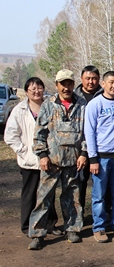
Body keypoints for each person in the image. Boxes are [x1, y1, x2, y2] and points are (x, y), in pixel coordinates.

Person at [27, 69, 87, 250]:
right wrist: (42, 155)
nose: (66, 87)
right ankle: (37, 234)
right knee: (43, 199)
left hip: (73, 162)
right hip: (51, 162)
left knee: (72, 198)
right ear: (56, 85)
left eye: (69, 83)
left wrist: (84, 153)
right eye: (63, 84)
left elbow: (87, 133)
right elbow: (39, 133)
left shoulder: (82, 104)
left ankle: (73, 229)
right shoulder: (48, 105)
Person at [4, 77, 60, 236]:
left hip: (49, 158)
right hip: (28, 160)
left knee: (48, 193)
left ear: (44, 89)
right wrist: (23, 150)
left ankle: (50, 224)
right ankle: (27, 225)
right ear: (26, 91)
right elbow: (10, 135)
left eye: (39, 88)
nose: (36, 91)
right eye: (32, 89)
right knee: (29, 194)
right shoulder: (19, 110)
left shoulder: (51, 106)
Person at [84, 71, 114, 243]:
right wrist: (93, 158)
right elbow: (89, 132)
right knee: (99, 195)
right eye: (111, 82)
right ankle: (99, 227)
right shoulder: (95, 104)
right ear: (103, 84)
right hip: (101, 158)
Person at [74, 65, 103, 214]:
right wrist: (83, 152)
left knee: (102, 186)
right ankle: (78, 216)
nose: (91, 82)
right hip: (78, 151)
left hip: (101, 149)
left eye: (94, 79)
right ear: (81, 79)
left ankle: (103, 216)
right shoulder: (74, 97)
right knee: (79, 184)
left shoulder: (105, 96)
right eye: (87, 78)